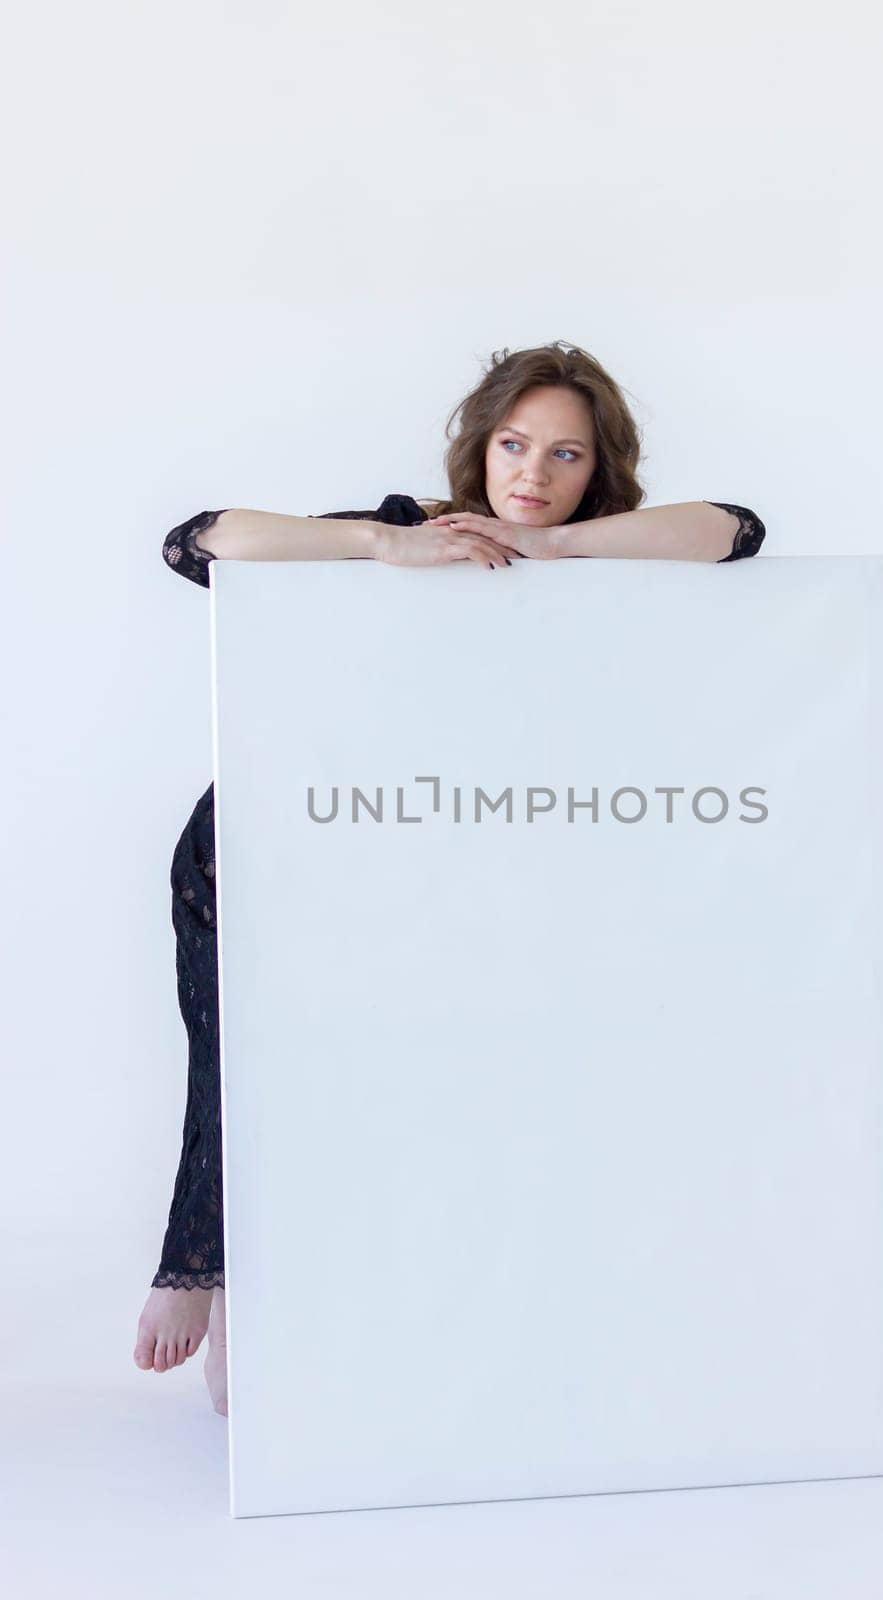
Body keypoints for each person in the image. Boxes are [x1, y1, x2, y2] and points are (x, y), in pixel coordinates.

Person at [132, 340, 767, 1415]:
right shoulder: (411, 523)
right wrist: (384, 545)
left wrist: (556, 546)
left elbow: (737, 533)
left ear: (594, 468)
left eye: (565, 454)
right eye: (514, 444)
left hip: (422, 860)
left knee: (395, 1079)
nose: (531, 472)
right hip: (264, 837)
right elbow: (193, 543)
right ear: (479, 444)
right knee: (244, 1051)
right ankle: (208, 1276)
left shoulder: (599, 556)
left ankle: (370, 1299)